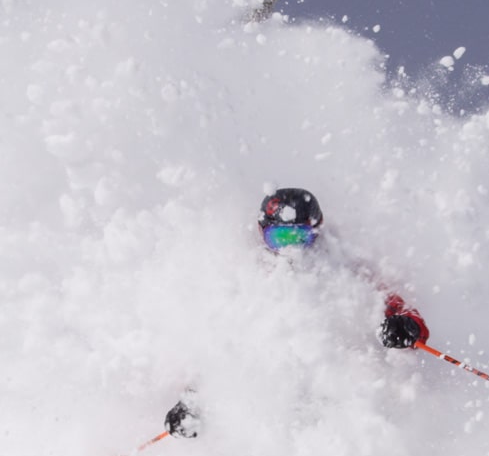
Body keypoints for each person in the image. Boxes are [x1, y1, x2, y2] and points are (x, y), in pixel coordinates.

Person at [163, 187, 430, 439]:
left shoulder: (344, 267)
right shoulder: (244, 275)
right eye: (279, 239)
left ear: (317, 229)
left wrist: (407, 326)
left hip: (334, 395)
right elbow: (218, 344)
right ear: (262, 233)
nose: (291, 249)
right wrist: (193, 401)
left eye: (301, 237)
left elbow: (394, 302)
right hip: (268, 405)